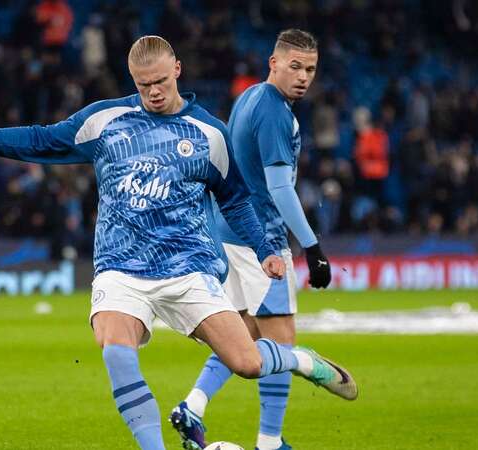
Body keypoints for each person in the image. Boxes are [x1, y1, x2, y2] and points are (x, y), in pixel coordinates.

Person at [0, 35, 356, 450]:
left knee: (247, 363)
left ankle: (302, 361)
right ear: (133, 80)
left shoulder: (208, 133)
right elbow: (41, 139)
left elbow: (236, 200)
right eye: (143, 84)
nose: (153, 92)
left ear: (177, 70)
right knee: (116, 351)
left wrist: (265, 250)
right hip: (121, 270)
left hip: (189, 268)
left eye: (161, 82)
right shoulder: (105, 121)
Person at [172, 30, 355, 450]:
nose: (304, 76)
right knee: (281, 342)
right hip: (262, 241)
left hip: (228, 233)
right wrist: (312, 247)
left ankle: (193, 406)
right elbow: (279, 188)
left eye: (310, 68)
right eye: (295, 66)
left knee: (246, 336)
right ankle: (269, 442)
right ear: (273, 62)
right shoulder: (274, 111)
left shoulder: (251, 96)